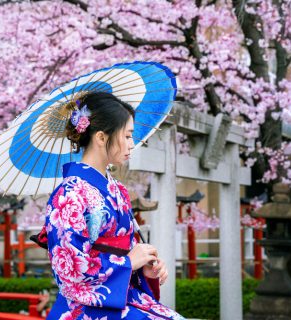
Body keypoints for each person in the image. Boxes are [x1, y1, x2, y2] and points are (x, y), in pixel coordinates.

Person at [37, 92, 185, 319]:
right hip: (86, 306)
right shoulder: (68, 194)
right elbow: (70, 271)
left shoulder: (118, 190)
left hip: (123, 297)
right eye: (126, 136)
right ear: (101, 138)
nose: (131, 144)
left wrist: (142, 266)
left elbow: (128, 248)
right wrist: (127, 262)